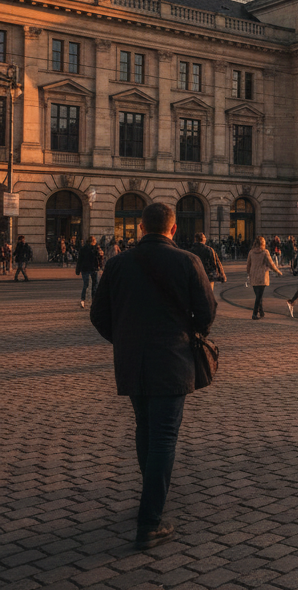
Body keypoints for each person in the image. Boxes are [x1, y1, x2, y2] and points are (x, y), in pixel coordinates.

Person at [89, 201, 216, 551]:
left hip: (132, 361)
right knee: (163, 437)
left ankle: (150, 495)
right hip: (172, 360)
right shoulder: (188, 261)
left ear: (141, 228)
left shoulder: (116, 264)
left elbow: (99, 316)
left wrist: (126, 340)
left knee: (144, 427)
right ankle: (150, 522)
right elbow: (207, 313)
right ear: (173, 229)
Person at [246, 236, 282, 320]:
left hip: (253, 276)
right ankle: (254, 313)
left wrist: (249, 273)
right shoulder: (265, 252)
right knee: (259, 296)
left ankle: (261, 311)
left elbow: (248, 265)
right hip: (262, 276)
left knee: (258, 295)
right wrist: (278, 271)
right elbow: (271, 264)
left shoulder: (251, 252)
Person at [76, 235, 104, 308]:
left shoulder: (84, 249)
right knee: (94, 285)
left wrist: (78, 269)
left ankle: (83, 300)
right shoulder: (96, 248)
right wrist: (101, 266)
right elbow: (100, 258)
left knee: (86, 285)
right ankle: (93, 301)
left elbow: (79, 260)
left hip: (86, 269)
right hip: (93, 268)